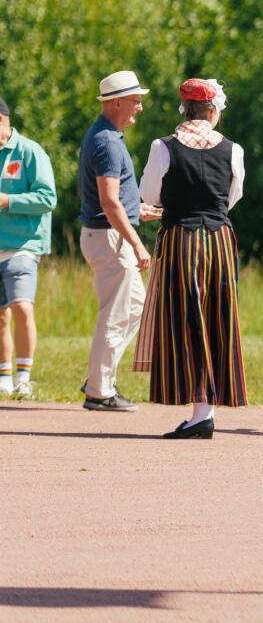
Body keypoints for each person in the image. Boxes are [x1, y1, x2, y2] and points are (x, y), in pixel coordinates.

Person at [139, 78, 247, 439]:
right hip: (219, 240)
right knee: (218, 318)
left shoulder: (163, 146)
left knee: (185, 321)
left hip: (181, 238)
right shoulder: (233, 149)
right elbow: (232, 198)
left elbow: (149, 194)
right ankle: (205, 411)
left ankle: (201, 413)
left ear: (184, 108)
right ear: (213, 111)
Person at [78, 71, 161, 412]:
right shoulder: (108, 141)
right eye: (136, 100)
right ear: (116, 102)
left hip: (106, 234)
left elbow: (114, 202)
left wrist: (136, 209)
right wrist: (138, 245)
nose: (139, 107)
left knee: (136, 310)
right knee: (115, 314)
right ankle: (99, 391)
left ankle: (100, 379)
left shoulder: (105, 135)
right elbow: (109, 202)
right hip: (110, 239)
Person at [0, 97, 57, 398]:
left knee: (21, 307)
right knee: (0, 315)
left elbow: (48, 198)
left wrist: (9, 200)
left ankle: (24, 379)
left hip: (22, 246)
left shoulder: (30, 152)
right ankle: (4, 379)